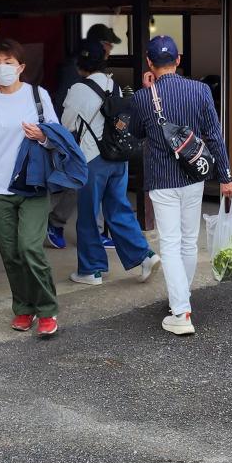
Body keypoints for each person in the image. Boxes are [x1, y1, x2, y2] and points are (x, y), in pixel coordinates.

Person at [125, 35, 232, 336]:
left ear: (149, 62)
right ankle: (181, 300)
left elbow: (133, 132)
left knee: (170, 244)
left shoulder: (142, 98)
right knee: (188, 241)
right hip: (193, 176)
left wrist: (146, 91)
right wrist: (226, 176)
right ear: (178, 60)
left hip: (161, 180)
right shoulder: (200, 91)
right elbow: (214, 136)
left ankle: (181, 311)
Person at [0, 40, 60, 338]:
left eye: (8, 62)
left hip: (32, 184)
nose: (2, 68)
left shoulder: (37, 96)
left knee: (30, 247)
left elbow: (58, 138)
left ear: (21, 67)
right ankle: (23, 307)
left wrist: (42, 136)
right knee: (11, 253)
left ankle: (47, 309)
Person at [59, 39, 160, 288]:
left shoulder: (77, 89)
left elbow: (66, 125)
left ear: (80, 64)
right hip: (118, 157)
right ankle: (145, 256)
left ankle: (91, 270)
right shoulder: (112, 83)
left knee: (88, 215)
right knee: (118, 208)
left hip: (92, 159)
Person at [48, 22, 123, 250]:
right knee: (81, 185)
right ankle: (58, 224)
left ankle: (87, 229)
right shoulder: (76, 69)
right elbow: (66, 108)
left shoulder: (103, 76)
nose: (110, 50)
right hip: (78, 138)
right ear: (100, 45)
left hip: (97, 140)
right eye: (109, 45)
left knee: (88, 186)